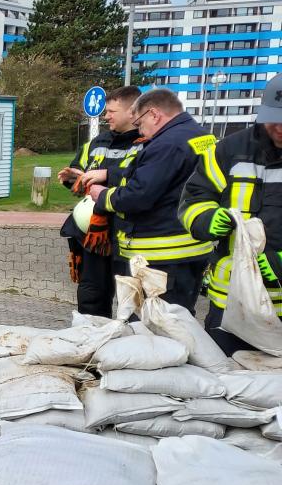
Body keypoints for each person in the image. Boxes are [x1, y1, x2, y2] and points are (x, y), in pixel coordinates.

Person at [180, 73, 282, 353]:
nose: (280, 127)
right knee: (220, 382)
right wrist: (206, 219)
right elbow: (194, 199)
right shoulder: (228, 150)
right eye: (275, 118)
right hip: (228, 306)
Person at [87, 88, 214, 311]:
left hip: (161, 256)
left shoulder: (167, 144)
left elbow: (139, 195)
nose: (141, 131)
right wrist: (111, 174)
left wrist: (103, 196)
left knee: (152, 323)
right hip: (192, 248)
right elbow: (166, 178)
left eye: (139, 123)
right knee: (179, 319)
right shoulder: (200, 136)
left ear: (154, 115)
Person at [57, 86, 142, 318]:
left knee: (132, 303)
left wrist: (107, 174)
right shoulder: (95, 143)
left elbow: (144, 181)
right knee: (91, 296)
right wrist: (73, 179)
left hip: (129, 236)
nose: (106, 116)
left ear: (132, 112)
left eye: (112, 111)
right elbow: (83, 179)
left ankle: (129, 349)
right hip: (93, 236)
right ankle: (91, 345)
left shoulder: (148, 143)